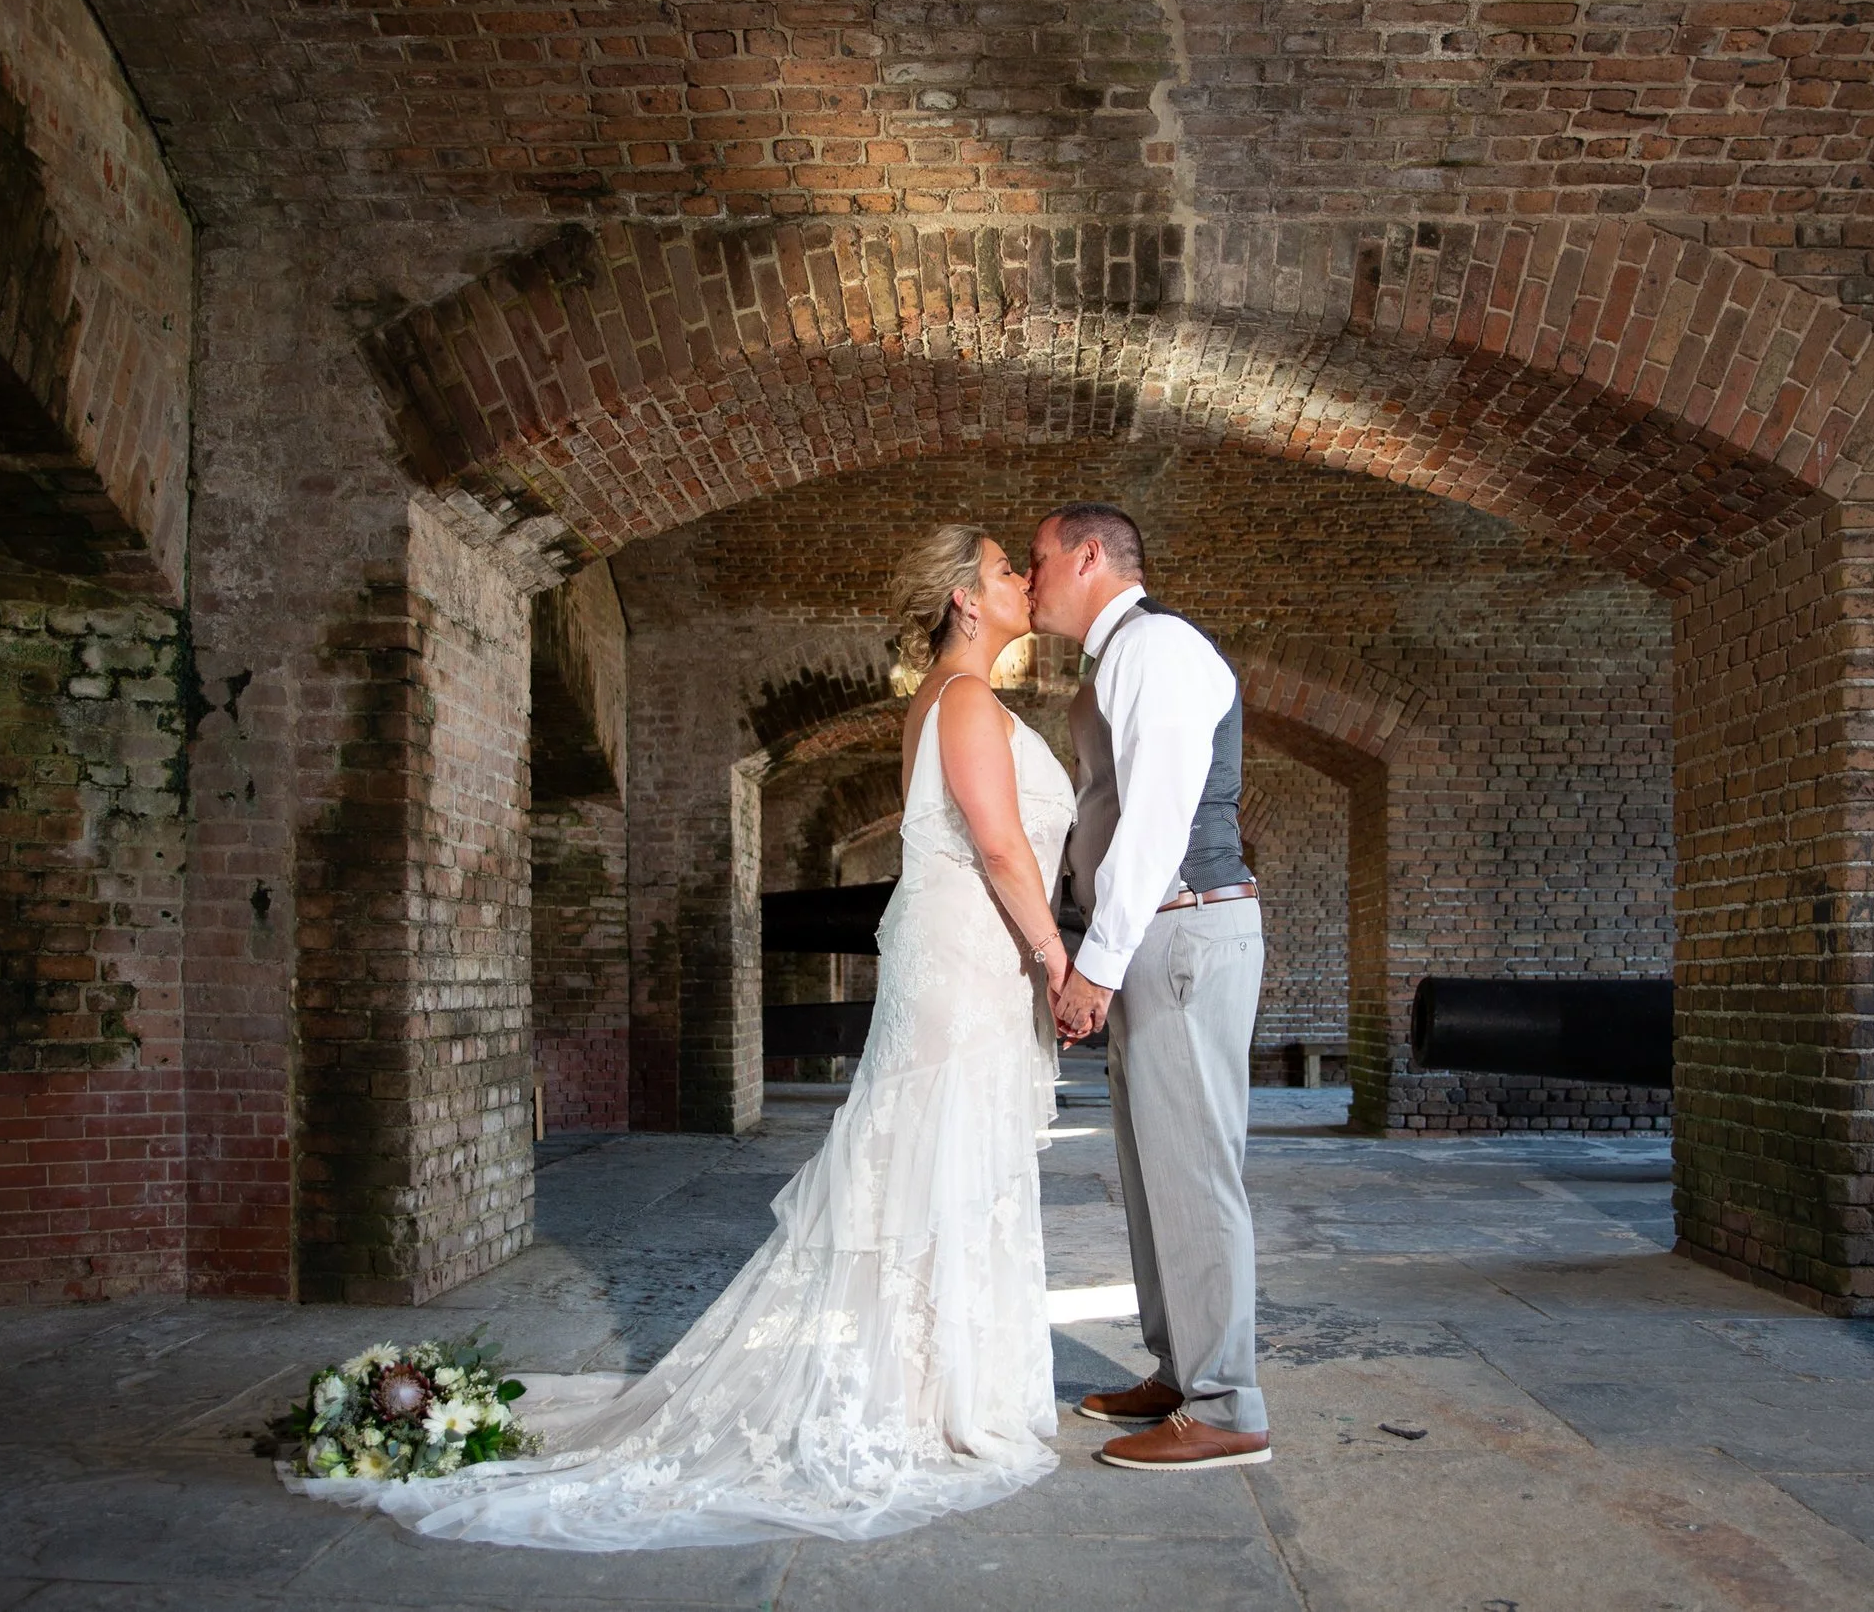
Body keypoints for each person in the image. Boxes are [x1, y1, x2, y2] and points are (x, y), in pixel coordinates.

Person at [280, 526, 1076, 1549]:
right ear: (967, 600)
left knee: (939, 1166)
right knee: (940, 1161)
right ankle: (934, 1392)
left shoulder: (944, 697)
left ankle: (933, 1380)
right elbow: (1003, 843)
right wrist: (1056, 954)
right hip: (966, 966)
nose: (1023, 579)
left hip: (960, 961)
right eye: (1008, 567)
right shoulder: (962, 698)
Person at [1025, 502, 1270, 1471]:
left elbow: (1158, 820)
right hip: (1156, 937)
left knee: (1194, 1168)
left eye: (1039, 558)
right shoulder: (1117, 654)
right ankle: (1181, 1369)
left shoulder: (1155, 644)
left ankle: (1227, 1403)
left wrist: (1095, 960)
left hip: (1179, 928)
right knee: (1153, 1168)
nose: (1033, 576)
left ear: (1090, 555)